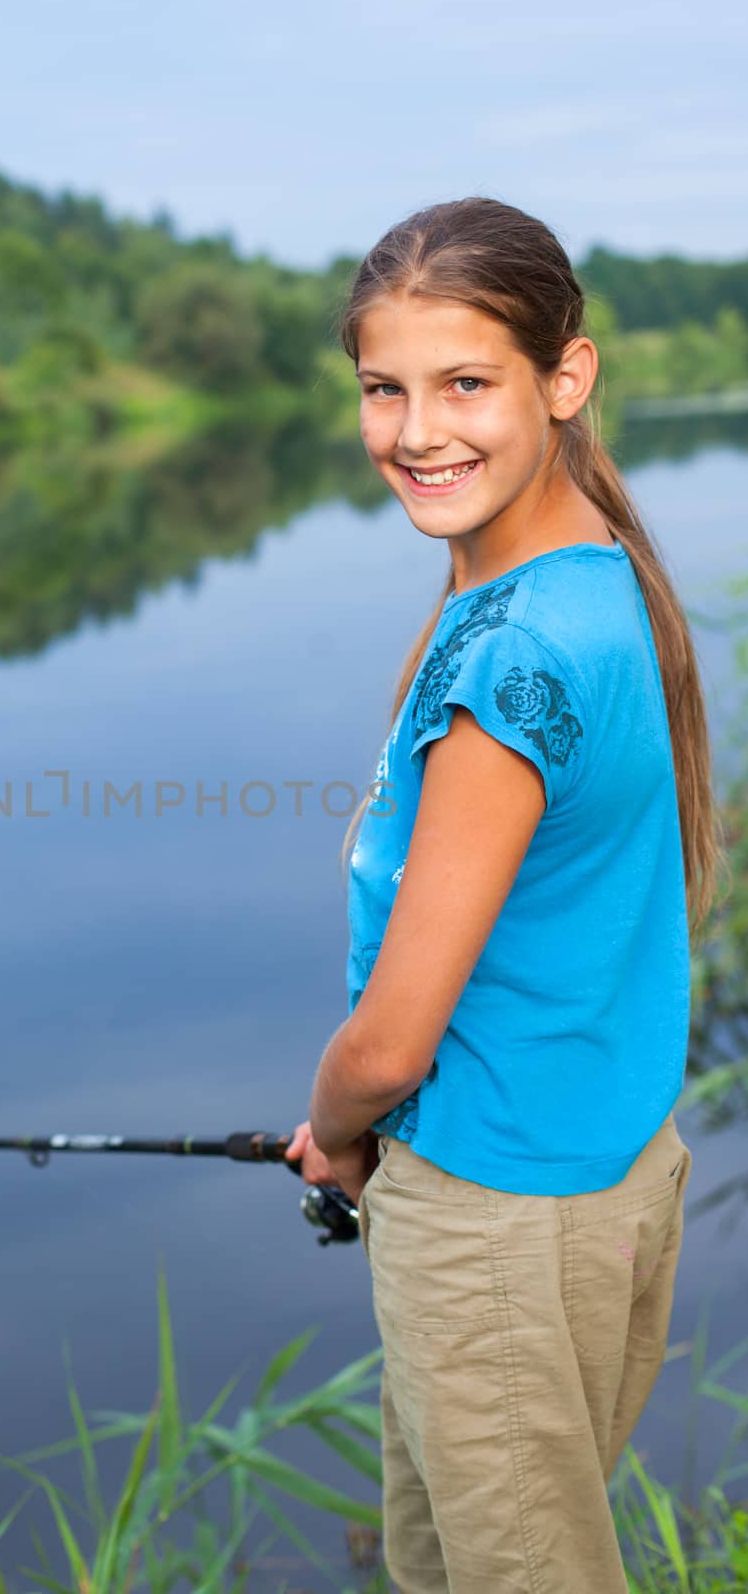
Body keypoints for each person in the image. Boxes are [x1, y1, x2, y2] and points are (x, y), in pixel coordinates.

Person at [284, 195, 731, 1594]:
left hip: (491, 1214)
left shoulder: (505, 674)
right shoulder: (592, 570)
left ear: (565, 378)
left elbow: (394, 1039)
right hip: (601, 1175)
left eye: (464, 383)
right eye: (383, 388)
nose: (417, 431)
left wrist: (336, 1125)